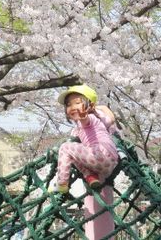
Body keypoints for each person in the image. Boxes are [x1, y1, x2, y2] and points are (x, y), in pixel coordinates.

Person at [51, 84, 118, 239]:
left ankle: (61, 183)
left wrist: (86, 115)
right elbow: (110, 119)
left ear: (89, 105)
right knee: (74, 156)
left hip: (100, 153)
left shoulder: (90, 119)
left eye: (77, 102)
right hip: (108, 162)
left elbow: (86, 120)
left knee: (65, 148)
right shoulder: (100, 122)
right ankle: (91, 176)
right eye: (69, 104)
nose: (72, 107)